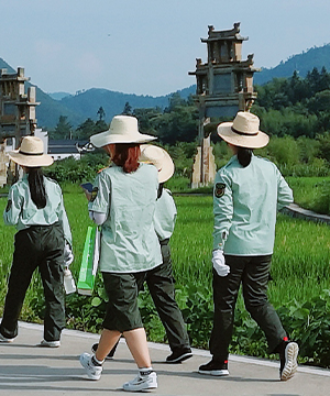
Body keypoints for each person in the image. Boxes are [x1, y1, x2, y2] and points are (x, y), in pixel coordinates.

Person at [198, 111, 298, 381]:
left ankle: (219, 360)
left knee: (225, 304)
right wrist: (263, 215)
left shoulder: (226, 174)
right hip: (263, 247)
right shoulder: (270, 169)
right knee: (257, 300)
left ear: (231, 143)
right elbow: (287, 196)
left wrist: (217, 249)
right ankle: (284, 344)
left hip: (233, 249)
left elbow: (223, 215)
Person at [78, 115, 161, 392]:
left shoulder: (106, 178)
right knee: (119, 311)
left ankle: (146, 372)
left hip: (118, 257)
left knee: (128, 315)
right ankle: (96, 362)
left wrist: (91, 202)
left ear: (114, 148)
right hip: (146, 254)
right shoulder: (152, 173)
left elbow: (100, 218)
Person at [91, 145, 192, 363]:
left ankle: (111, 347)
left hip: (139, 247)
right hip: (163, 248)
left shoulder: (136, 193)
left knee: (124, 299)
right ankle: (181, 343)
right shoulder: (168, 196)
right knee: (165, 299)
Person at [0, 136, 73, 348]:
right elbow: (62, 216)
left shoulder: (18, 188)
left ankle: (8, 329)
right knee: (54, 287)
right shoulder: (54, 186)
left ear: (21, 163)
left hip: (29, 238)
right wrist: (68, 243)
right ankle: (53, 335)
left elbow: (10, 220)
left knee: (18, 285)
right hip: (54, 236)